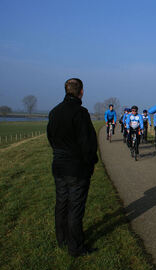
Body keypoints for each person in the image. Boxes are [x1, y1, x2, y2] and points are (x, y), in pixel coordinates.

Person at [46, 78, 98, 257]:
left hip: (58, 164)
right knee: (75, 207)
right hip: (76, 167)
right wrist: (91, 162)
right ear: (81, 91)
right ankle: (75, 247)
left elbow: (50, 137)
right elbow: (87, 142)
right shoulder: (80, 112)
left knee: (61, 202)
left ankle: (62, 239)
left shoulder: (54, 112)